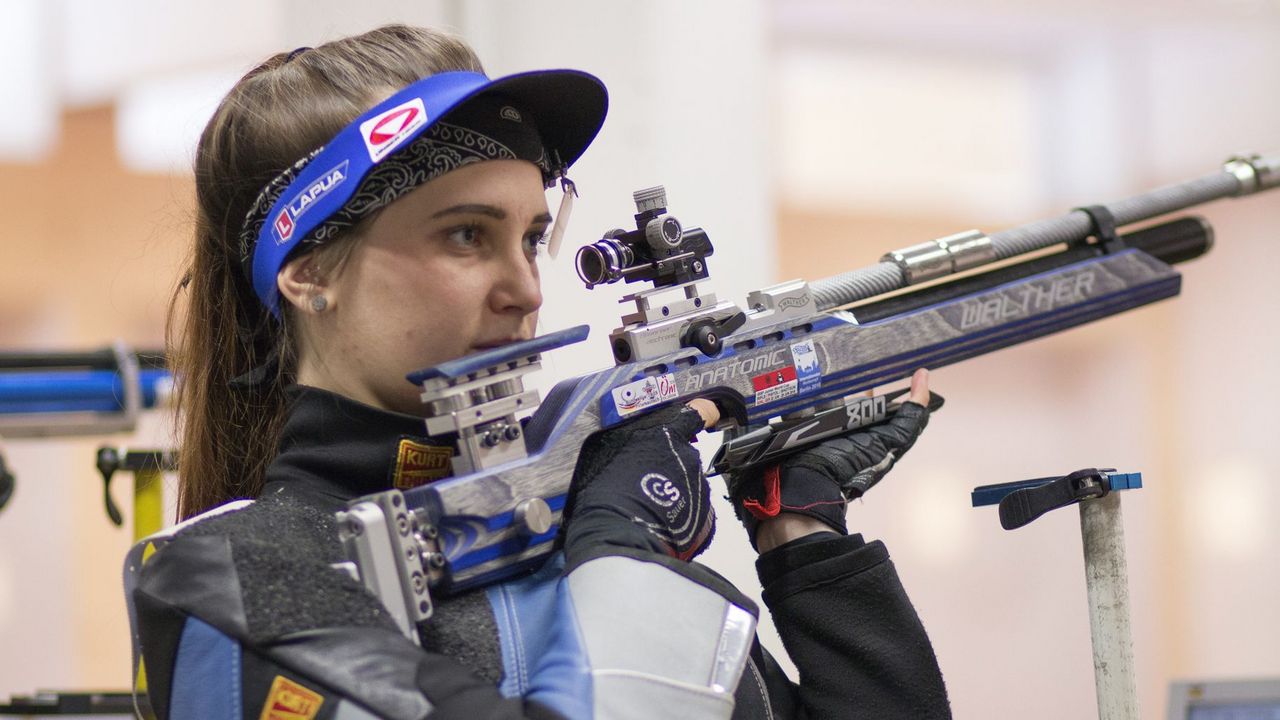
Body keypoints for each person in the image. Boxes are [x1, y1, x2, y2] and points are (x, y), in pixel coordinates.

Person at [130, 24, 950, 720]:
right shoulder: (226, 582)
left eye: (529, 237)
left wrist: (800, 538)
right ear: (308, 272)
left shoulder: (586, 552)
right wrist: (623, 553)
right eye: (464, 236)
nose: (525, 290)